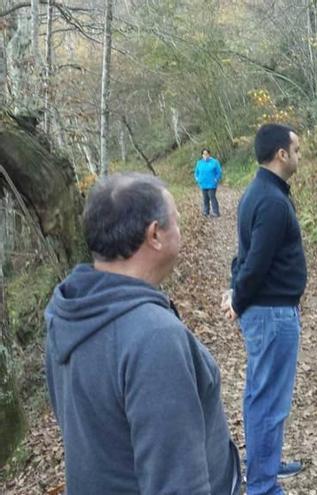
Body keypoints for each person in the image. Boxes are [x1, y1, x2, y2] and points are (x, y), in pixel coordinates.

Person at [44, 173, 240, 495]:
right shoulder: (154, 338)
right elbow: (179, 485)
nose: (181, 230)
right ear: (155, 235)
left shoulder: (66, 313)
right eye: (175, 221)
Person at [222, 123, 306, 494]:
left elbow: (244, 256)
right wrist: (238, 298)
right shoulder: (270, 200)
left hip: (269, 310)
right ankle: (262, 485)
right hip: (271, 314)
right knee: (267, 401)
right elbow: (254, 261)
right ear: (281, 154)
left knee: (264, 396)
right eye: (297, 150)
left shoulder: (261, 192)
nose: (300, 156)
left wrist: (235, 291)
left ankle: (267, 465)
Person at [195, 148, 223, 217]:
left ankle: (216, 212)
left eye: (206, 154)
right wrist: (197, 179)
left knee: (212, 197)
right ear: (202, 155)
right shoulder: (199, 163)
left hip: (212, 184)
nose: (205, 155)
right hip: (203, 184)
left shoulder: (214, 162)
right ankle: (206, 211)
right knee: (205, 198)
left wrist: (216, 179)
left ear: (209, 154)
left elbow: (219, 172)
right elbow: (196, 172)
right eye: (204, 154)